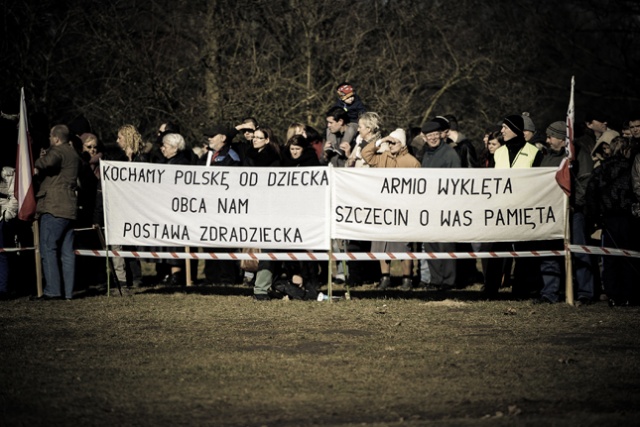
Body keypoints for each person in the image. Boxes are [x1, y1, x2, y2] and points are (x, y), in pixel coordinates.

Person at [483, 115, 543, 300]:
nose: (502, 131)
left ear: (515, 129)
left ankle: (521, 290)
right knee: (496, 251)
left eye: (505, 128)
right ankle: (490, 290)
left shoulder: (534, 152)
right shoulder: (499, 153)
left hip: (524, 210)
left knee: (523, 253)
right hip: (501, 210)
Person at [361, 128, 420, 291]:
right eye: (390, 142)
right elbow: (365, 154)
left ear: (402, 144)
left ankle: (407, 278)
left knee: (403, 246)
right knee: (382, 244)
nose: (392, 144)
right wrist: (381, 141)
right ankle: (385, 277)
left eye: (395, 142)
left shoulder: (412, 162)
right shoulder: (382, 158)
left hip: (402, 210)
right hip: (382, 208)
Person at [586, 136, 639, 306]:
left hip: (607, 219)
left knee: (610, 258)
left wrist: (594, 218)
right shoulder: (629, 168)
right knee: (628, 256)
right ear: (626, 150)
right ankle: (629, 295)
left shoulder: (601, 169)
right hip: (627, 218)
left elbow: (591, 194)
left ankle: (613, 295)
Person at [32, 124, 81, 300]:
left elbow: (48, 162)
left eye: (51, 138)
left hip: (54, 206)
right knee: (67, 252)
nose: (50, 141)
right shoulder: (73, 153)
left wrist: (39, 160)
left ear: (57, 138)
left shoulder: (58, 151)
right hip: (69, 207)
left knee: (48, 247)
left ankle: (52, 291)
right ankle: (68, 292)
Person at [420, 120, 461, 290]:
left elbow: (457, 181)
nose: (433, 138)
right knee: (431, 244)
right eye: (430, 135)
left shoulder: (450, 154)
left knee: (446, 246)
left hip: (446, 207)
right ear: (424, 137)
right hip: (429, 207)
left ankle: (448, 281)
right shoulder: (425, 154)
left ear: (441, 135)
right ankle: (435, 280)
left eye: (435, 134)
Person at [199, 125, 241, 286]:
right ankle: (212, 276)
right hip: (209, 205)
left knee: (224, 243)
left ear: (223, 138)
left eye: (213, 135)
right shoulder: (208, 155)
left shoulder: (231, 155)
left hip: (224, 205)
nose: (209, 139)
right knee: (209, 241)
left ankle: (227, 277)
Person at [111, 124, 147, 291]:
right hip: (120, 206)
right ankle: (125, 278)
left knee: (130, 244)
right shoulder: (116, 157)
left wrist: (130, 160)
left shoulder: (142, 158)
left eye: (120, 137)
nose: (117, 141)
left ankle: (135, 277)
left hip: (133, 206)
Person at [325, 83, 366, 150]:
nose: (351, 99)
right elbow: (334, 112)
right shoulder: (339, 104)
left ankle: (344, 145)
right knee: (329, 128)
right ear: (342, 98)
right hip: (344, 121)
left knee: (351, 128)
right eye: (348, 98)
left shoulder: (357, 103)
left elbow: (363, 112)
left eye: (352, 96)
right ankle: (331, 145)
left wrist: (361, 119)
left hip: (354, 121)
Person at [0, 165, 18, 299]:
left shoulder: (8, 172)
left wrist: (8, 214)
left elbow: (15, 195)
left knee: (3, 253)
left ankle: (4, 288)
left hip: (3, 216)